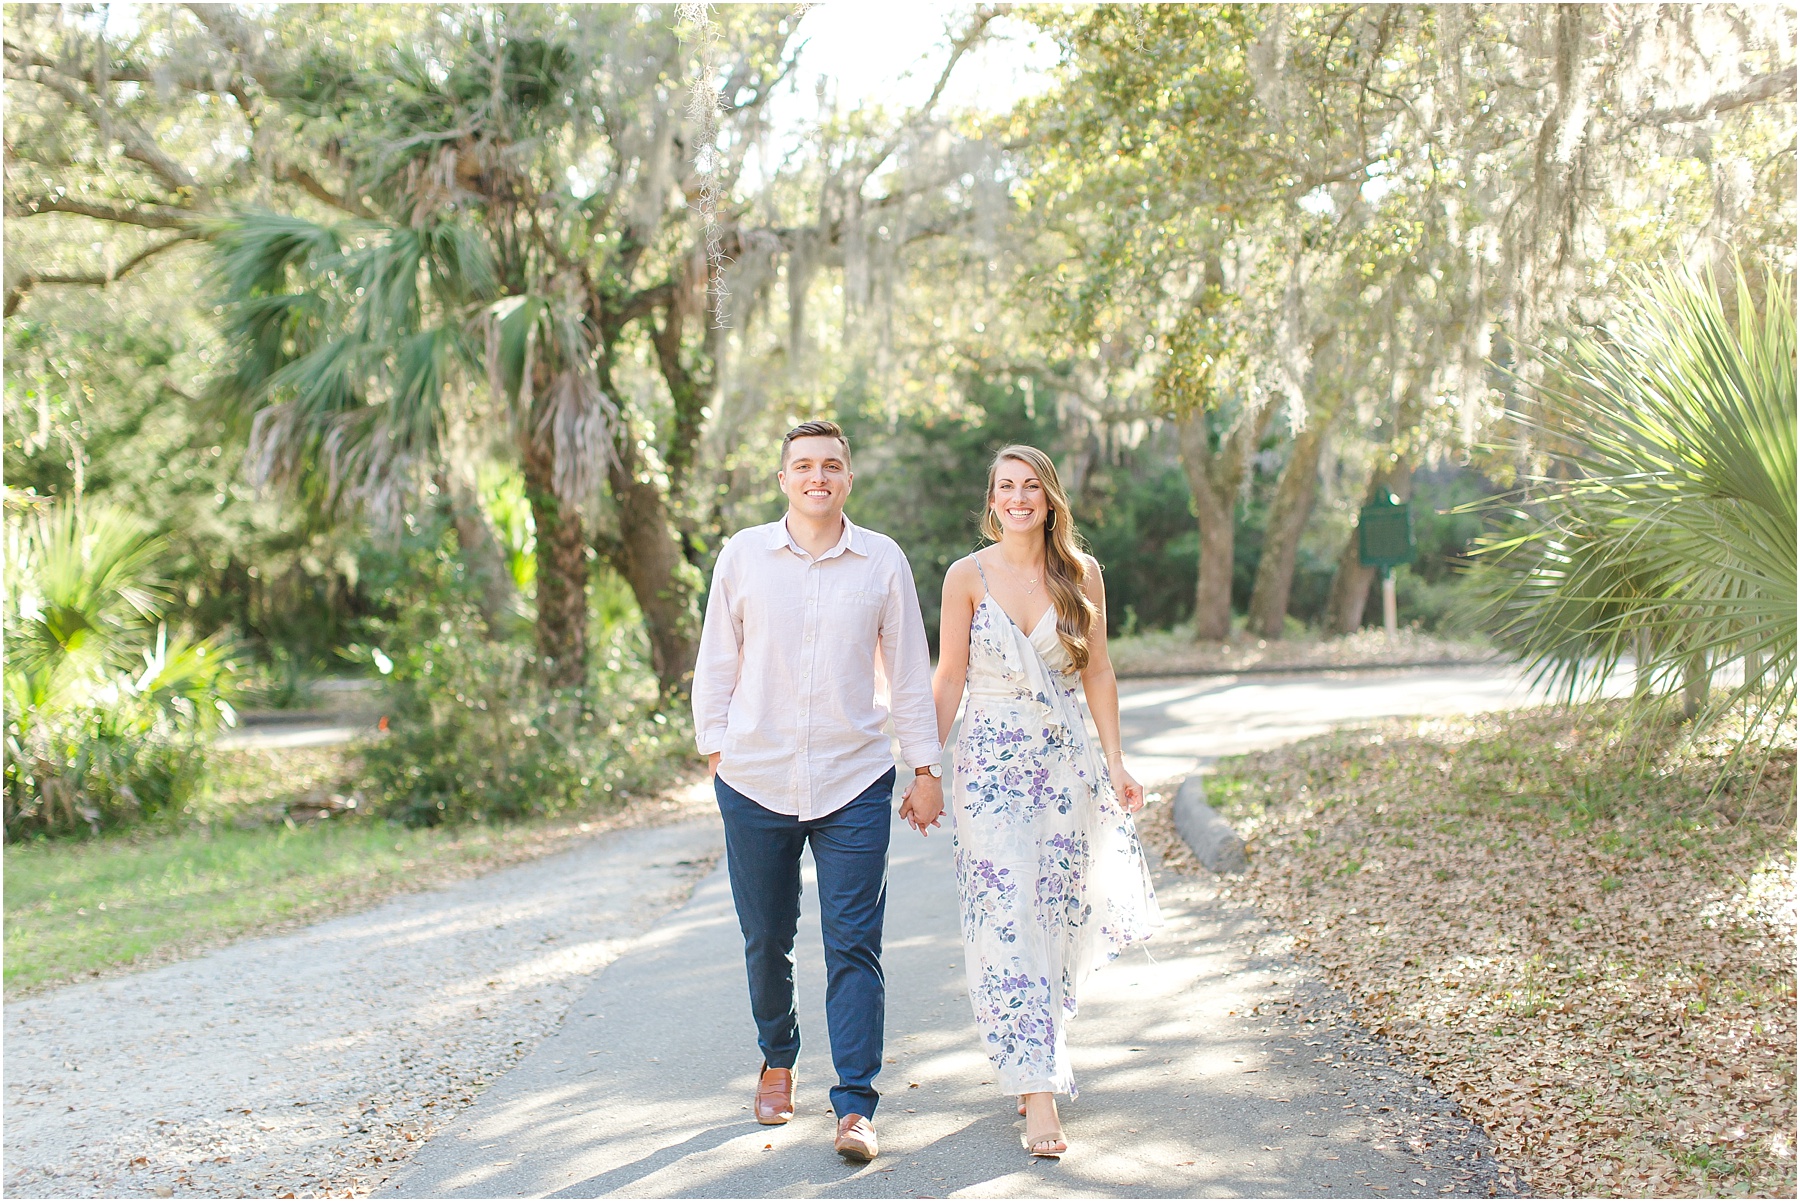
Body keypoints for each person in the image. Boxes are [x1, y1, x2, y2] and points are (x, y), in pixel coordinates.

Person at [691, 419, 944, 1164]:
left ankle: (856, 1104)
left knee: (853, 945)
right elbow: (716, 660)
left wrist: (925, 770)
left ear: (848, 479)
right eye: (803, 465)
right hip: (755, 777)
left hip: (854, 779)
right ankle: (777, 1058)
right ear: (783, 479)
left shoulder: (881, 561)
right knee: (766, 937)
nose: (817, 477)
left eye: (832, 465)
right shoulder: (743, 556)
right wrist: (717, 749)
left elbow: (906, 672)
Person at [930, 443, 1162, 1159]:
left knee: (1061, 918)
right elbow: (947, 680)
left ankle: (1042, 1044)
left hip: (1067, 767)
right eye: (1006, 486)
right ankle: (1037, 1091)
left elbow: (1099, 673)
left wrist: (1117, 763)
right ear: (992, 499)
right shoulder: (965, 576)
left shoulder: (1080, 574)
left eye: (1031, 486)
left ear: (1050, 497)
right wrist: (922, 769)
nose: (1019, 497)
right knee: (1009, 915)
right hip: (992, 768)